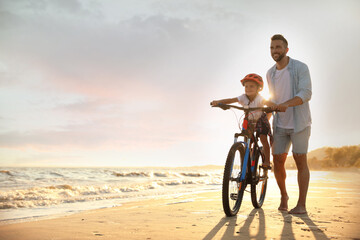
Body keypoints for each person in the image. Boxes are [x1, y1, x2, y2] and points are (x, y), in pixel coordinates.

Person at [267, 34, 312, 214]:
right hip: (279, 125)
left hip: (300, 123)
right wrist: (266, 118)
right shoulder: (270, 73)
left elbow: (306, 93)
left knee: (300, 160)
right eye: (272, 48)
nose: (275, 51)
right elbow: (272, 100)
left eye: (278, 47)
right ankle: (284, 195)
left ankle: (301, 204)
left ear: (286, 49)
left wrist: (286, 104)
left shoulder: (300, 68)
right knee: (277, 161)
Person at [211, 73, 275, 169]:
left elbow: (267, 102)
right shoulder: (243, 97)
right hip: (248, 120)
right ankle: (247, 162)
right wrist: (219, 102)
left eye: (251, 86)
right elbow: (231, 100)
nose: (248, 88)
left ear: (259, 88)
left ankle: (266, 161)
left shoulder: (259, 99)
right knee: (247, 140)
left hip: (260, 120)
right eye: (246, 86)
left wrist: (275, 106)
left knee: (263, 139)